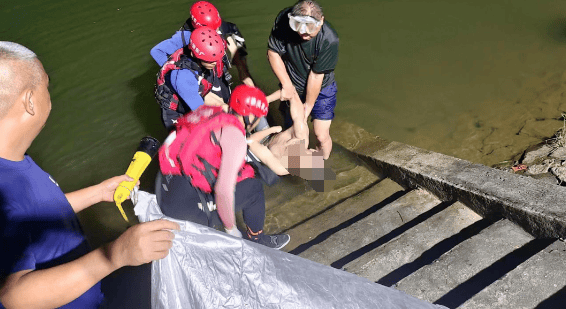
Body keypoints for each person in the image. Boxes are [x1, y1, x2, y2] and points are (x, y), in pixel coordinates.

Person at [0, 42, 179, 309]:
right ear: (29, 101)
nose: (49, 95)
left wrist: (98, 192)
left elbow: (33, 215)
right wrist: (113, 256)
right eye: (46, 87)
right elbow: (14, 297)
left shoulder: (15, 161)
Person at [156, 85, 290, 249]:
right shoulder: (235, 138)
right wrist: (231, 229)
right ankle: (257, 240)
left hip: (164, 188)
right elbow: (223, 191)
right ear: (251, 116)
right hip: (184, 210)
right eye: (258, 117)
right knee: (254, 189)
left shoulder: (212, 112)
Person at [151, 1, 270, 131]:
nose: (218, 31)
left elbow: (208, 98)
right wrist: (170, 67)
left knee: (223, 104)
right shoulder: (183, 75)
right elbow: (202, 110)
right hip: (183, 98)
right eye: (214, 29)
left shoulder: (213, 38)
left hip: (202, 76)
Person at [267, 0, 339, 160]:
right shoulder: (283, 21)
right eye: (298, 25)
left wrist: (308, 106)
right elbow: (273, 52)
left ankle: (321, 163)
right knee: (292, 129)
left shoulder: (329, 40)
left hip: (322, 88)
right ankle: (295, 163)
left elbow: (316, 75)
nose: (304, 32)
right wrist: (286, 85)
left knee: (321, 134)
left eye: (310, 27)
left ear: (321, 21)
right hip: (293, 84)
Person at [155, 27, 231, 130]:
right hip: (176, 113)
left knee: (224, 108)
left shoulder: (200, 61)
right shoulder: (183, 78)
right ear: (194, 55)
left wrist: (226, 109)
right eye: (209, 61)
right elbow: (202, 112)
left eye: (216, 59)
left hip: (192, 94)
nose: (214, 63)